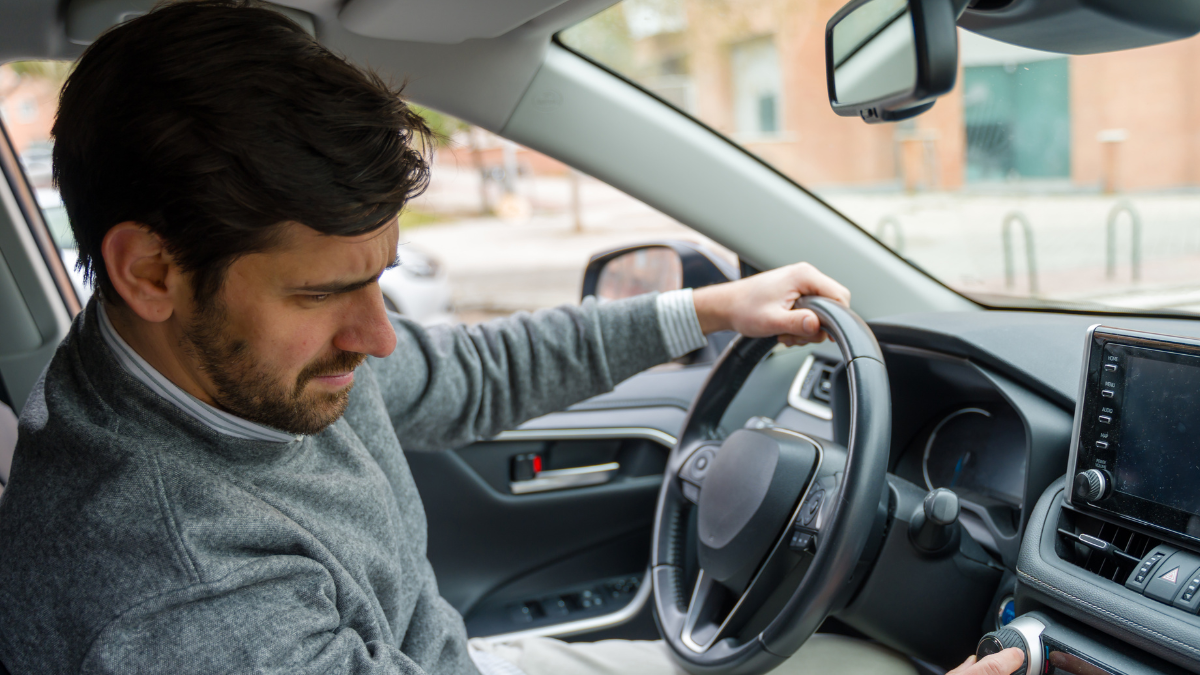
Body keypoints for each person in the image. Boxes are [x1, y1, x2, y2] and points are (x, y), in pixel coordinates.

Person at [0, 2, 1024, 674]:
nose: (380, 338)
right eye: (327, 293)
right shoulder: (182, 599)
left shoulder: (232, 369)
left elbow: (472, 374)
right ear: (151, 272)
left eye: (381, 281)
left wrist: (708, 310)